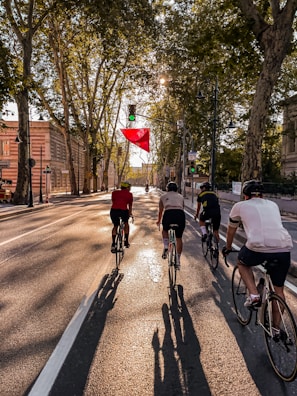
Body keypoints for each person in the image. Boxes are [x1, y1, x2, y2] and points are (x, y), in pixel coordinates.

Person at [222, 180, 293, 308]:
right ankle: (276, 328)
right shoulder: (273, 204)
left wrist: (228, 247)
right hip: (284, 248)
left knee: (242, 263)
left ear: (245, 195)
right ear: (262, 195)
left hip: (257, 246)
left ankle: (254, 295)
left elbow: (231, 231)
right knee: (279, 291)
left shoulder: (240, 206)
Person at [156, 181, 185, 268]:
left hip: (168, 214)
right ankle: (178, 260)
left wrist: (158, 221)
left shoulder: (163, 196)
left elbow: (161, 211)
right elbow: (182, 208)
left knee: (165, 230)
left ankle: (165, 246)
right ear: (176, 189)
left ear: (167, 189)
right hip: (180, 214)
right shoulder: (181, 196)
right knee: (179, 237)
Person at [110, 181, 133, 253]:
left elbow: (113, 201)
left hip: (114, 211)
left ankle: (113, 244)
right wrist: (130, 214)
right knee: (126, 223)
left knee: (115, 226)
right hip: (123, 211)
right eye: (129, 187)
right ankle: (126, 241)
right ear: (127, 187)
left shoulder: (114, 193)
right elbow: (130, 206)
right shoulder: (129, 194)